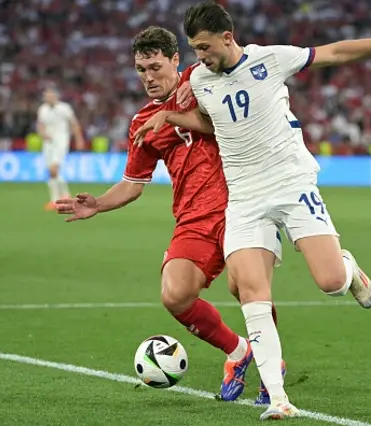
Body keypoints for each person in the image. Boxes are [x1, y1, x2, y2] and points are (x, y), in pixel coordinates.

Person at [133, 1, 371, 419]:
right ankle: (278, 397)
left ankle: (348, 270)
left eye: (203, 47)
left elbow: (333, 52)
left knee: (330, 281)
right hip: (244, 198)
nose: (198, 57)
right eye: (193, 49)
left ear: (227, 38)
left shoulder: (269, 59)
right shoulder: (201, 80)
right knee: (252, 293)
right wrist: (172, 115)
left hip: (291, 184)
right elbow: (214, 124)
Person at [54, 26, 281, 404]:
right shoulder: (142, 121)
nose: (148, 77)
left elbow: (233, 100)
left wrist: (178, 109)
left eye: (155, 67)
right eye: (141, 69)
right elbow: (132, 184)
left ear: (177, 60)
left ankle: (271, 371)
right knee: (175, 294)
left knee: (248, 289)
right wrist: (98, 203)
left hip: (246, 201)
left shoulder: (204, 78)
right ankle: (239, 352)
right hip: (195, 216)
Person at [36, 86, 85, 210]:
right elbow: (40, 125)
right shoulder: (42, 109)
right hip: (48, 143)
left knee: (54, 169)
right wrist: (42, 134)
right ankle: (63, 195)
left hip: (61, 140)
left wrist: (79, 139)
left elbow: (74, 124)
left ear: (56, 96)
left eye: (51, 95)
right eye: (47, 95)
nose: (49, 97)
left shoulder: (64, 108)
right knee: (51, 171)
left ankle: (55, 200)